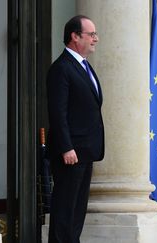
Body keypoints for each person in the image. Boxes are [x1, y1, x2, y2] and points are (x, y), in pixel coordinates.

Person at [46, 15, 105, 243]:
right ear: (75, 36)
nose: (95, 39)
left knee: (77, 213)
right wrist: (66, 147)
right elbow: (57, 113)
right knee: (64, 212)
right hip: (70, 154)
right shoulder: (61, 68)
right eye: (91, 34)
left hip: (85, 152)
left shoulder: (84, 66)